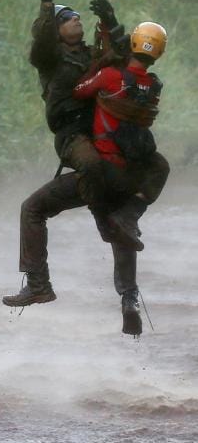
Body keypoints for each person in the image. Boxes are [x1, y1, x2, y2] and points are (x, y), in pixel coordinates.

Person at [4, 0, 127, 307]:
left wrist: (109, 17)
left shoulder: (91, 56)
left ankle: (125, 288)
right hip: (74, 137)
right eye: (67, 18)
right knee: (42, 202)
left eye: (77, 16)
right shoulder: (49, 58)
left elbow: (124, 56)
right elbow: (42, 36)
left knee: (99, 177)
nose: (76, 19)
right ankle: (39, 285)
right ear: (54, 30)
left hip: (103, 135)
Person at [71, 21, 170, 334]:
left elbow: (78, 91)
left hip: (104, 166)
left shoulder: (110, 76)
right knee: (124, 229)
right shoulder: (153, 86)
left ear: (133, 44)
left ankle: (36, 280)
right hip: (133, 170)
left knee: (35, 206)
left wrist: (98, 63)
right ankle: (129, 298)